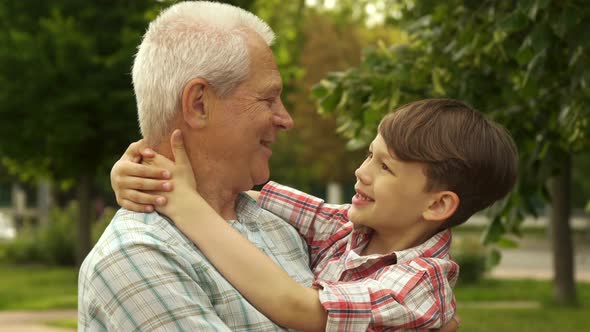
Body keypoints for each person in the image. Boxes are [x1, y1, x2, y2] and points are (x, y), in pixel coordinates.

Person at [113, 99, 517, 330]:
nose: (361, 172)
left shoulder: (421, 286)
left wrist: (184, 204)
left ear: (437, 205)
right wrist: (145, 171)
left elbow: (298, 307)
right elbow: (236, 184)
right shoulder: (347, 227)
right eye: (369, 156)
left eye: (386, 167)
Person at [78, 2, 314, 331]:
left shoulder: (282, 225)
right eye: (268, 98)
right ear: (199, 104)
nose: (286, 120)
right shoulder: (139, 255)